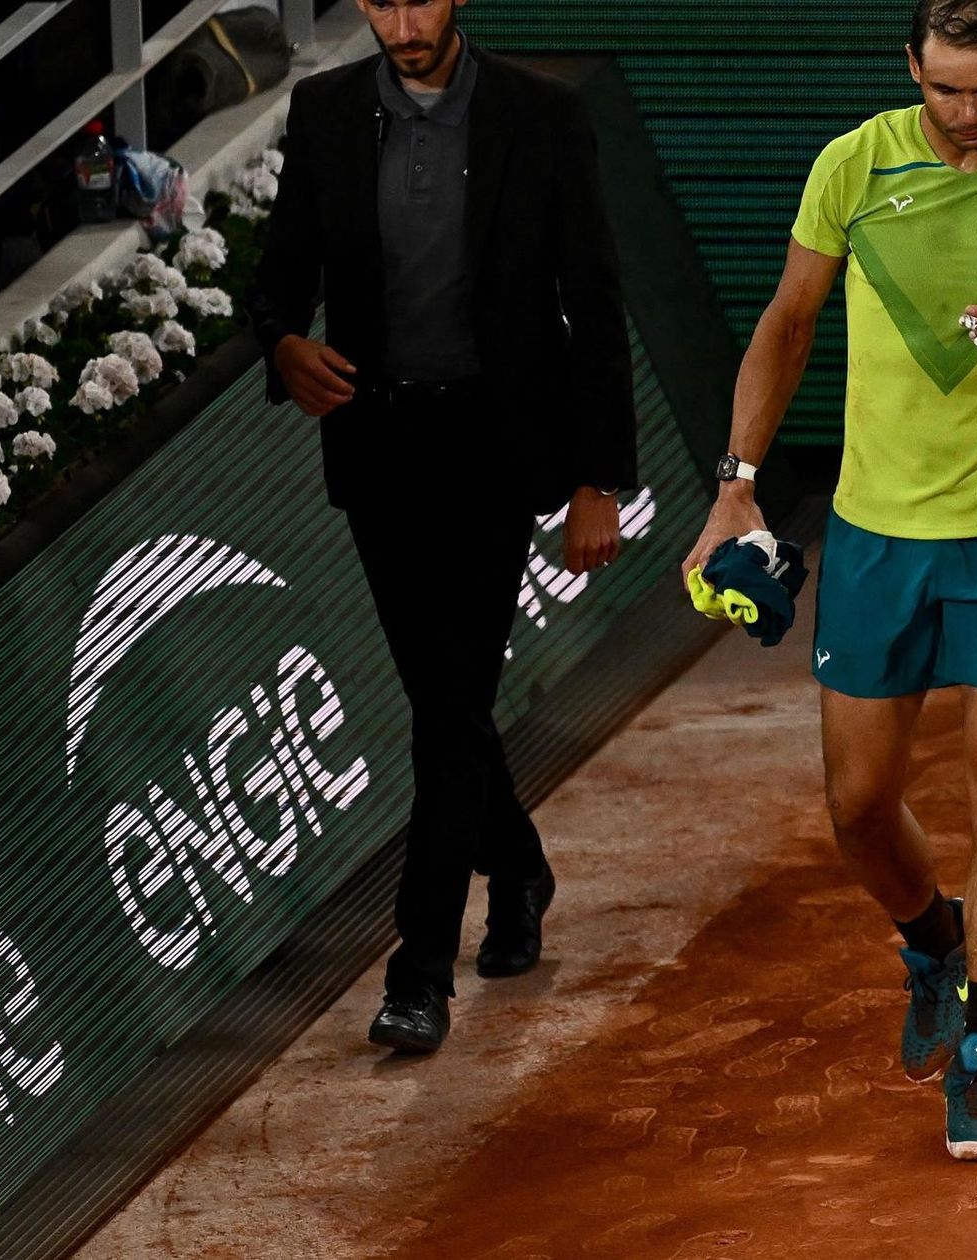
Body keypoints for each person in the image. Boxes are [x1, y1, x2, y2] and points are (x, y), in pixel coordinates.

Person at [679, 0, 977, 1161]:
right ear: (913, 72)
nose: (969, 115)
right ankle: (933, 943)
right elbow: (787, 324)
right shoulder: (853, 166)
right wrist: (736, 486)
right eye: (946, 89)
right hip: (875, 533)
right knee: (859, 804)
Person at [249, 0, 636, 1052]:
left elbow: (593, 299)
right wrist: (282, 346)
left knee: (448, 703)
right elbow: (281, 274)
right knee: (445, 699)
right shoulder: (325, 111)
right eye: (379, 1)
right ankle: (516, 866)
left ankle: (418, 969)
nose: (401, 20)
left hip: (492, 450)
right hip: (379, 450)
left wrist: (603, 478)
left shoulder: (539, 116)